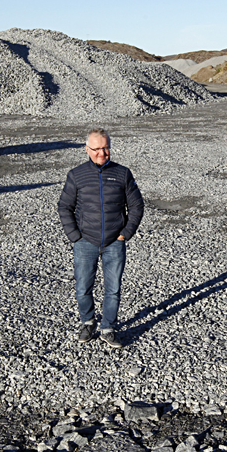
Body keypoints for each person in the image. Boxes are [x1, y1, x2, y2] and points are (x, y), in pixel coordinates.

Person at [58, 128, 144, 348]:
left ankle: (108, 327)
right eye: (96, 149)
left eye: (105, 148)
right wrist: (75, 236)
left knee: (113, 288)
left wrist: (126, 233)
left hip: (115, 241)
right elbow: (65, 206)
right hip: (85, 241)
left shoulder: (123, 173)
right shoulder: (76, 175)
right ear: (87, 150)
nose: (101, 153)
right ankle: (87, 322)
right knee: (83, 287)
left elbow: (136, 205)